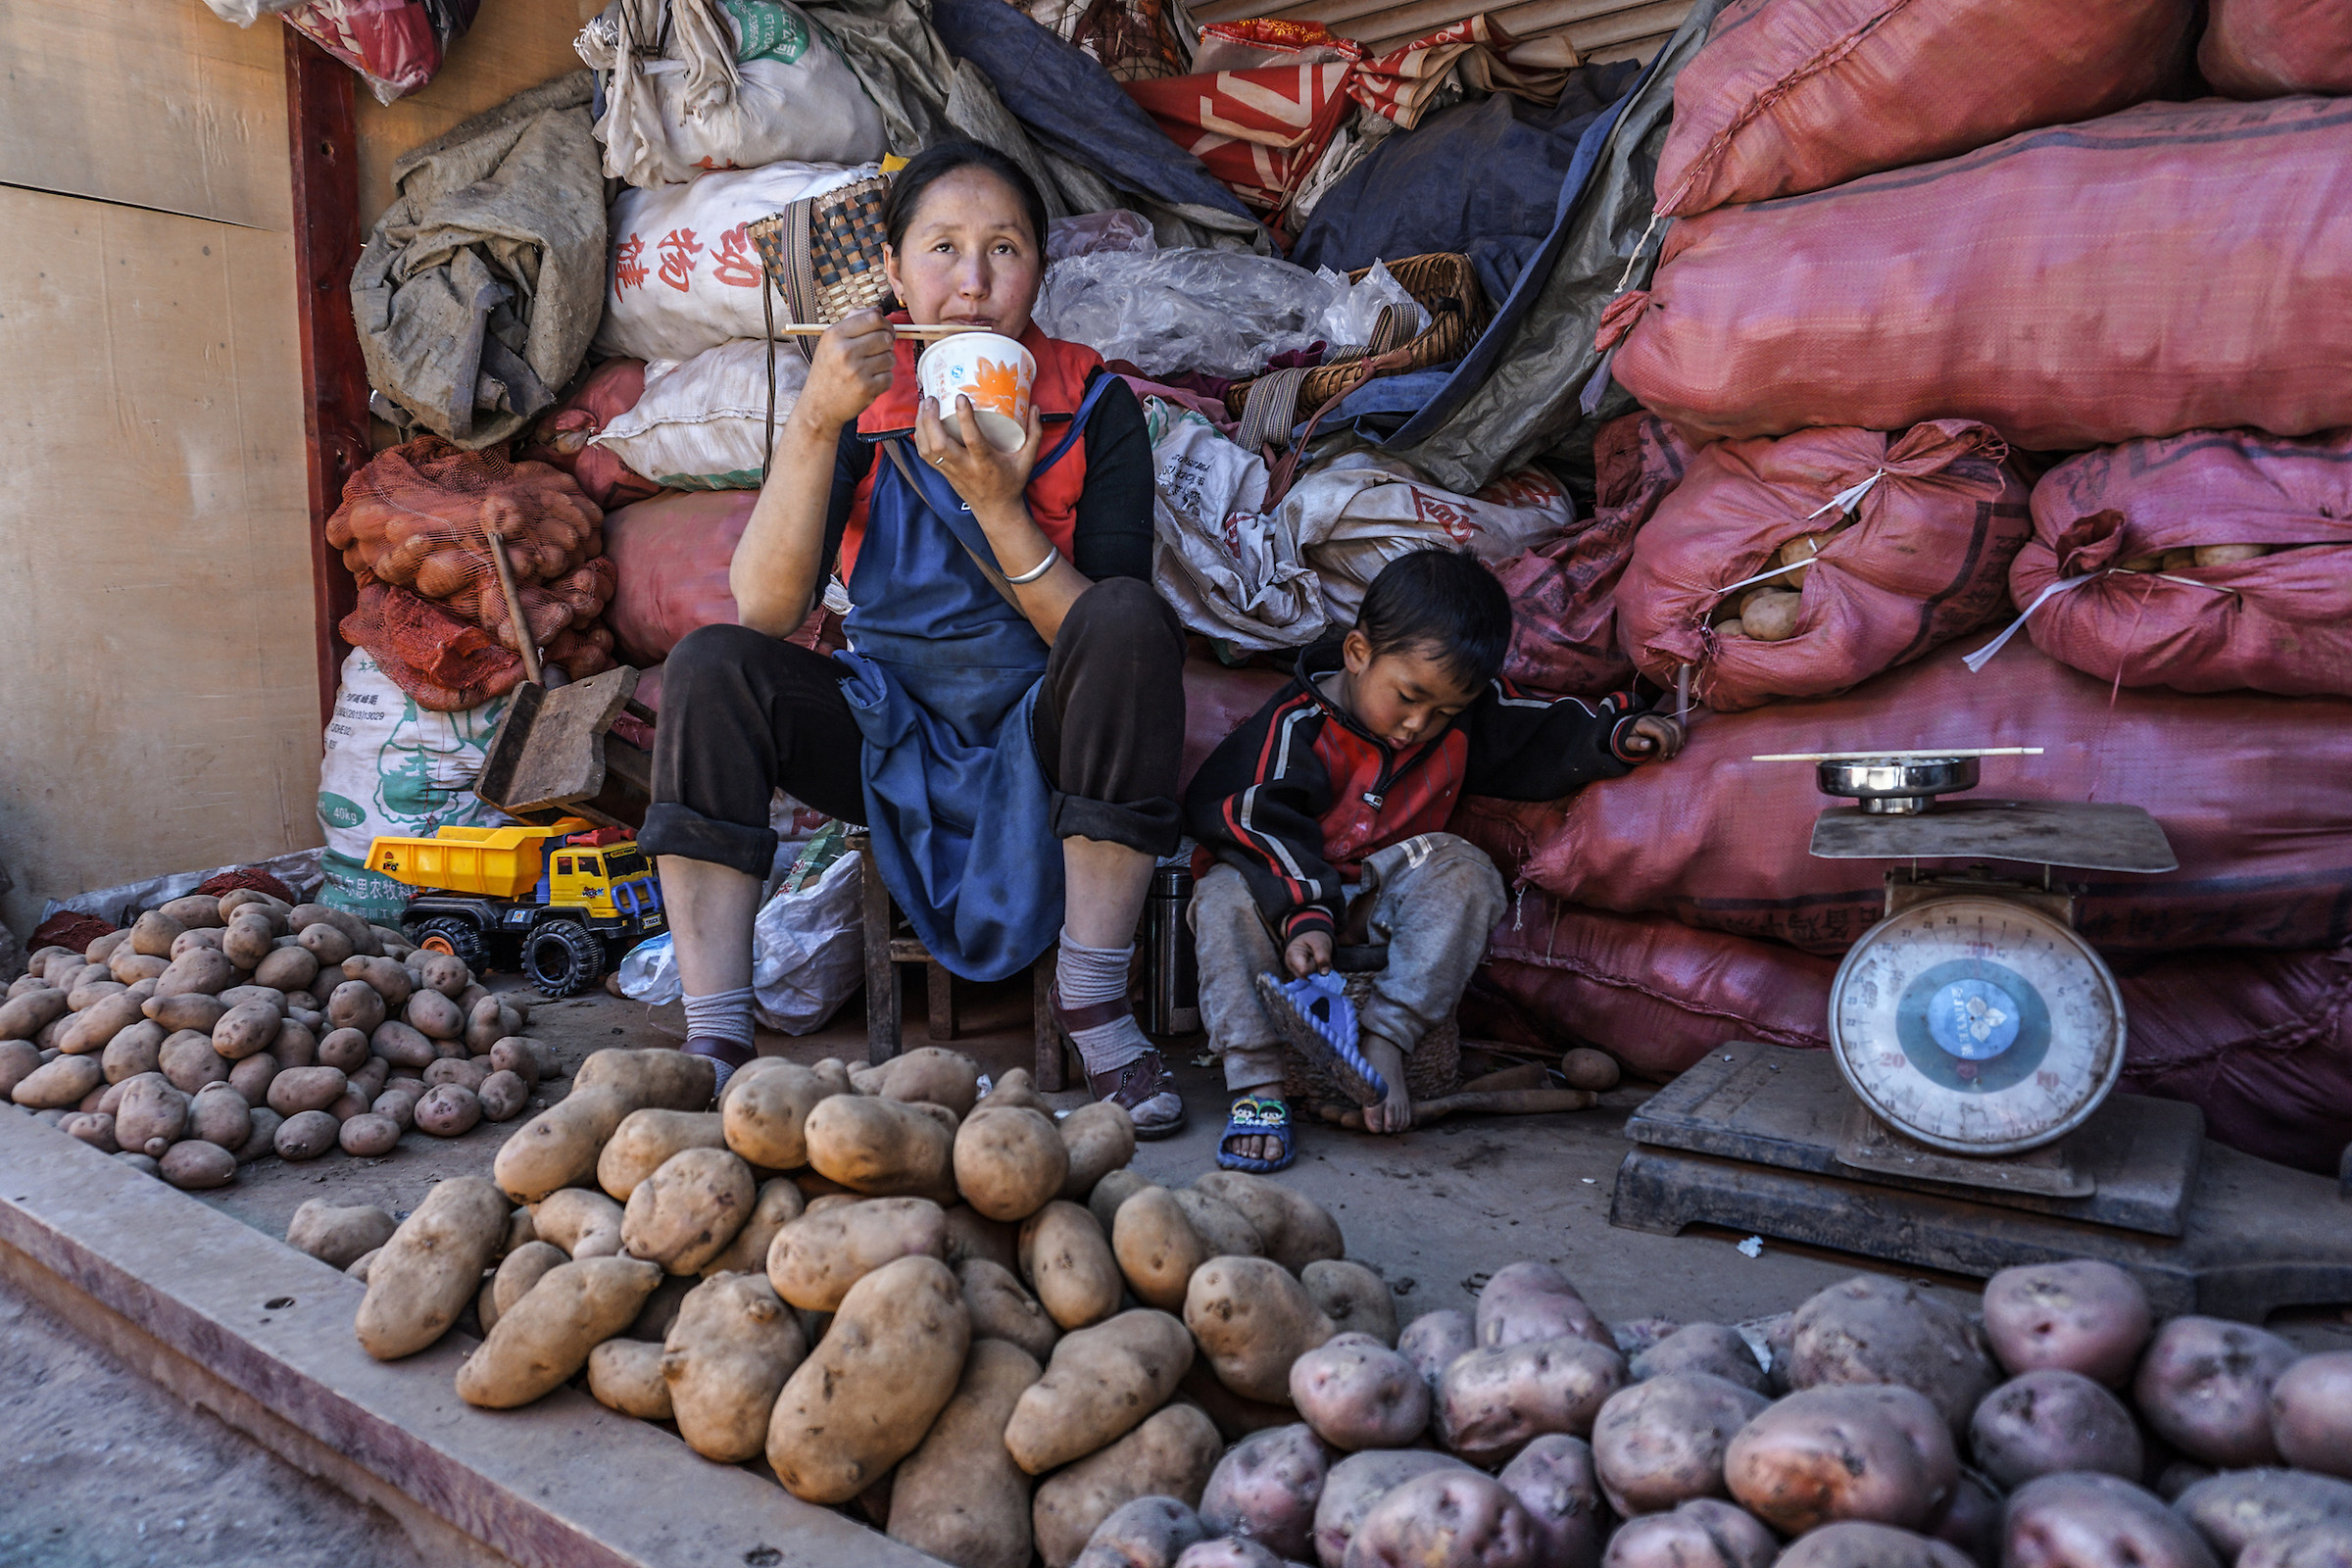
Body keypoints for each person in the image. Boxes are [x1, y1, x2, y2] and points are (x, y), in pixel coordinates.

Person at [641, 142, 1188, 1136]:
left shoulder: (1097, 406)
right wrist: (813, 420)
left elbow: (1105, 644)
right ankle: (716, 1032)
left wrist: (999, 508)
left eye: (1004, 250)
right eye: (942, 248)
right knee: (713, 666)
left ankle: (1097, 998)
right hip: (886, 728)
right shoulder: (861, 399)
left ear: (1040, 273)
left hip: (1045, 726)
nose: (972, 283)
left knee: (1131, 619)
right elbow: (765, 609)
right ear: (894, 272)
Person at [1184, 548, 1686, 1171]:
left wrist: (1612, 735)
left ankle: (1388, 1037)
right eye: (1409, 697)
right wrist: (1305, 912)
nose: (1420, 724)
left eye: (1445, 711)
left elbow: (1535, 729)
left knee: (1466, 868)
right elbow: (1247, 815)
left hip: (1380, 899)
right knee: (1224, 891)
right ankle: (1257, 1084)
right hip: (1284, 897)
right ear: (1358, 653)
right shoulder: (1296, 726)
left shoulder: (1460, 719)